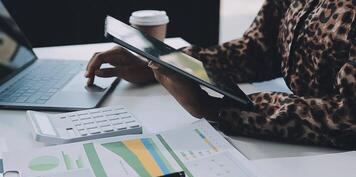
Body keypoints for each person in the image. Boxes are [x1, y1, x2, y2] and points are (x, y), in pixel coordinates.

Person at [86, 0, 356, 149]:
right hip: (305, 157)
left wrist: (215, 108)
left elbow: (348, 118)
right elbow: (261, 50)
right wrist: (167, 61)